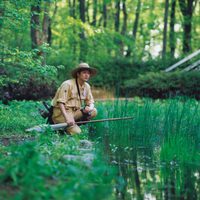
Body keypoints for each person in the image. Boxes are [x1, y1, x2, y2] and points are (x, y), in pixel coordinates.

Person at [51, 63, 97, 135]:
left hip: (74, 112)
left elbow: (91, 102)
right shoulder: (68, 84)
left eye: (88, 73)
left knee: (94, 111)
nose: (87, 75)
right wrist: (67, 118)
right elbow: (60, 103)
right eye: (84, 72)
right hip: (62, 113)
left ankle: (74, 124)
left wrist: (89, 108)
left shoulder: (87, 86)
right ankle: (66, 127)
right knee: (78, 133)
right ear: (78, 74)